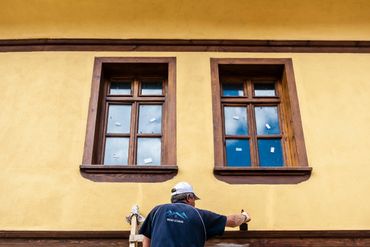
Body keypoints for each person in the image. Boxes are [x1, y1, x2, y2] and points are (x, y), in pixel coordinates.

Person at [139, 181, 251, 247]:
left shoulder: (157, 211)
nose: (195, 203)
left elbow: (147, 236)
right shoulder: (199, 215)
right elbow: (231, 221)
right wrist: (245, 216)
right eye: (194, 199)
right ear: (189, 197)